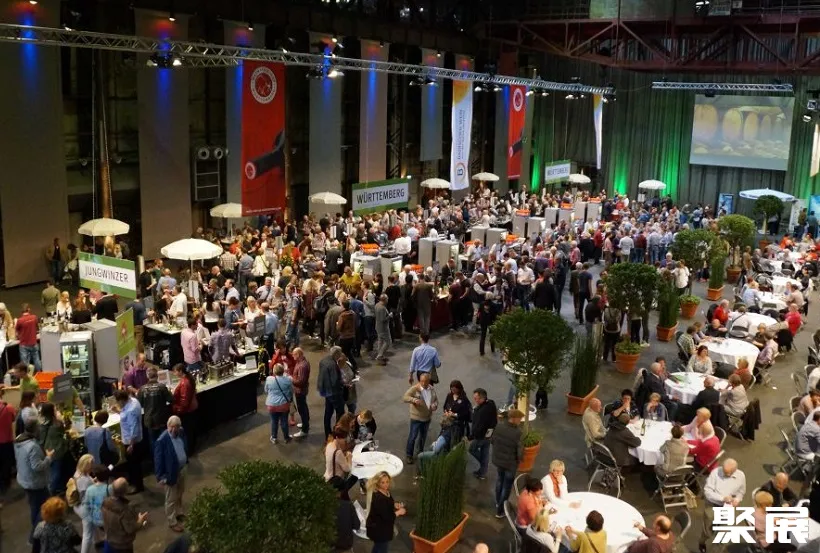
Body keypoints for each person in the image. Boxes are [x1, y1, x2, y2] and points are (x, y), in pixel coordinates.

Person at [14, 418, 54, 541]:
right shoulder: (32, 446)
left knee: (35, 507)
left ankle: (38, 534)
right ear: (35, 429)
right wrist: (48, 457)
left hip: (24, 479)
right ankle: (35, 536)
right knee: (43, 508)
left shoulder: (19, 439)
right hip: (35, 482)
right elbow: (37, 466)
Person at [700, 459, 746, 551]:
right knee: (708, 530)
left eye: (728, 473)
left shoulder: (741, 476)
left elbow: (741, 492)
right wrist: (722, 498)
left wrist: (737, 499)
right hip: (713, 505)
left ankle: (716, 550)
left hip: (727, 507)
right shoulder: (715, 473)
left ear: (735, 470)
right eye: (724, 472)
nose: (726, 474)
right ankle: (702, 542)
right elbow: (707, 492)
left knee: (724, 533)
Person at [153, 416, 188, 533]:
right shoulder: (161, 441)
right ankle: (172, 522)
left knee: (180, 493)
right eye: (172, 427)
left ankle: (179, 513)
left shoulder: (181, 432)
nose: (174, 430)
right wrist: (161, 477)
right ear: (168, 426)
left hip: (182, 469)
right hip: (170, 474)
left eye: (177, 427)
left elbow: (184, 445)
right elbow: (158, 461)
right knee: (171, 499)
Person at [492, 409, 524, 518]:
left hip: (499, 460)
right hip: (510, 464)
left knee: (499, 481)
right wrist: (520, 460)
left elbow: (493, 441)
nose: (520, 421)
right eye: (519, 419)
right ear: (514, 419)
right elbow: (519, 451)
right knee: (506, 486)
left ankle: (498, 502)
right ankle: (500, 511)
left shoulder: (499, 426)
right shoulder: (518, 433)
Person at [102, 477, 149, 553]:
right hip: (122, 546)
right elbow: (130, 529)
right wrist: (140, 521)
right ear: (125, 491)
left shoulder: (105, 502)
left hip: (108, 542)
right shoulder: (124, 510)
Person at [365, 471, 406, 553]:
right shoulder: (379, 498)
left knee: (378, 547)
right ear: (378, 483)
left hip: (381, 528)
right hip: (379, 530)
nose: (386, 484)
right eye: (382, 482)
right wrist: (399, 512)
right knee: (382, 548)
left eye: (387, 481)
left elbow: (387, 503)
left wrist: (394, 505)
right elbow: (387, 517)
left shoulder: (385, 491)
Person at [403, 372, 438, 464]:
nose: (423, 383)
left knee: (423, 437)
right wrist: (414, 400)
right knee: (413, 436)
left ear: (429, 381)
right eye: (422, 381)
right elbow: (405, 397)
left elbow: (435, 400)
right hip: (416, 418)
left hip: (427, 418)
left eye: (425, 381)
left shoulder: (431, 389)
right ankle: (409, 455)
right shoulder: (415, 388)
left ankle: (420, 453)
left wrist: (435, 405)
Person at [113, 389, 144, 493]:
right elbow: (125, 417)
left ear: (122, 400)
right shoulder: (133, 401)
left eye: (117, 401)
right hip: (132, 440)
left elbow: (133, 428)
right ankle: (133, 482)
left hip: (132, 442)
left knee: (134, 465)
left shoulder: (131, 410)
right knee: (132, 464)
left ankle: (137, 486)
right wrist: (118, 411)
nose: (117, 403)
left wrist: (131, 445)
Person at [137, 367, 173, 447]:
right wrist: (169, 391)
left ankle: (155, 455)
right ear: (157, 376)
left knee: (153, 442)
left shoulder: (142, 389)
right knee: (164, 440)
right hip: (161, 418)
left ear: (147, 376)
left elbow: (140, 404)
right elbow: (171, 400)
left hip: (149, 420)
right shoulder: (162, 387)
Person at [80, 464, 111, 553]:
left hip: (96, 520)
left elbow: (86, 506)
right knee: (110, 537)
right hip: (107, 519)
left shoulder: (90, 490)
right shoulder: (109, 489)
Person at [39, 402, 69, 495]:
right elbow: (63, 435)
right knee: (56, 472)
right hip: (57, 451)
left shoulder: (41, 424)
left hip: (46, 450)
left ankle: (55, 488)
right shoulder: (57, 424)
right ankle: (51, 491)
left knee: (51, 471)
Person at [470, 388, 497, 480]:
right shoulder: (491, 403)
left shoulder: (481, 411)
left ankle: (484, 465)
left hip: (480, 436)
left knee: (472, 449)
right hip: (489, 433)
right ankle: (483, 472)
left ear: (482, 398)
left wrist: (471, 436)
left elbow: (477, 426)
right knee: (485, 451)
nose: (475, 400)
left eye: (476, 398)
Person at [319, 347, 347, 439]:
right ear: (336, 354)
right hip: (335, 393)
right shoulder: (333, 365)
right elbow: (335, 381)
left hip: (327, 392)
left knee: (328, 413)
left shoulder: (323, 361)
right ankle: (338, 434)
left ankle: (328, 434)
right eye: (340, 353)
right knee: (340, 413)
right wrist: (343, 383)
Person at [171, 364, 199, 454]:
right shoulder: (188, 379)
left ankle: (189, 450)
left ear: (180, 371)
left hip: (187, 411)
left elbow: (184, 400)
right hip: (191, 408)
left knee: (188, 432)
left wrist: (178, 409)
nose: (174, 373)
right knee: (191, 430)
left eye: (175, 371)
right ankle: (191, 448)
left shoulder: (184, 383)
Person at [331, 474, 360, 553]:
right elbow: (357, 525)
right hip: (345, 543)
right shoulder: (348, 506)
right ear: (343, 490)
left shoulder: (323, 505)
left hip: (329, 544)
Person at [265, 363, 293, 444]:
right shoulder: (287, 380)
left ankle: (274, 437)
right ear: (283, 371)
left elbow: (266, 390)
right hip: (283, 404)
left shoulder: (269, 379)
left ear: (274, 371)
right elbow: (291, 391)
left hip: (271, 405)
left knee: (274, 421)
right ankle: (286, 438)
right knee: (284, 421)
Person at [0, 386, 16, 502]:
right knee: (7, 463)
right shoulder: (9, 408)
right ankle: (6, 483)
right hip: (7, 440)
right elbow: (13, 419)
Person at [291, 347, 311, 438]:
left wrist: (291, 379)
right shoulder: (301, 362)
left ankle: (304, 430)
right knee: (303, 407)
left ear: (298, 355)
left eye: (294, 354)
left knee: (302, 409)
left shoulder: (302, 366)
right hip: (301, 390)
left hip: (300, 391)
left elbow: (301, 381)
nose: (292, 356)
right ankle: (305, 423)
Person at [16, 304, 42, 373]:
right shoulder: (34, 317)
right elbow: (37, 328)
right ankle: (39, 373)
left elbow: (17, 332)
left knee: (25, 362)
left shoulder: (19, 320)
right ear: (29, 309)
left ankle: (26, 375)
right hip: (33, 343)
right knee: (36, 359)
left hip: (24, 344)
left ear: (21, 311)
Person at [373, 294, 391, 365]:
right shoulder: (382, 308)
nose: (388, 300)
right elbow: (383, 319)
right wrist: (389, 316)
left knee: (380, 341)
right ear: (385, 300)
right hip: (383, 328)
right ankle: (379, 356)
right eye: (387, 299)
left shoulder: (377, 305)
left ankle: (381, 356)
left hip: (378, 326)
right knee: (388, 342)